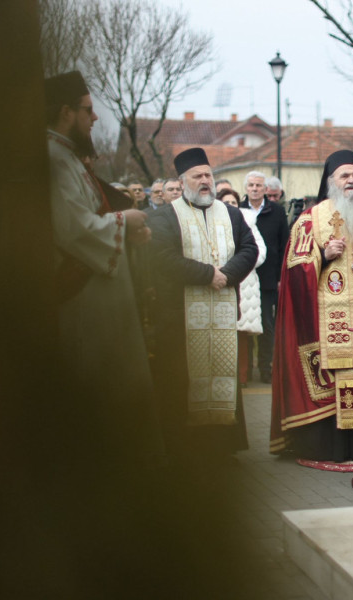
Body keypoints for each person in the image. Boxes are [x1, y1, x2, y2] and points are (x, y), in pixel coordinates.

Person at [45, 70, 160, 465]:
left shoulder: (68, 156)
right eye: (88, 110)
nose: (94, 119)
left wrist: (128, 232)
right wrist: (125, 223)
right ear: (65, 112)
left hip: (98, 301)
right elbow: (73, 229)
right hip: (81, 305)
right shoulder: (52, 159)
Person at [270, 150, 353, 461]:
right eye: (344, 175)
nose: (351, 180)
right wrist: (322, 255)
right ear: (330, 181)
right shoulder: (310, 220)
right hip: (330, 323)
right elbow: (293, 271)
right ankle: (334, 449)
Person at [146, 148, 258, 464]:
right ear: (183, 182)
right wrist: (208, 275)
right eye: (198, 176)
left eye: (208, 174)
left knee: (223, 376)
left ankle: (223, 444)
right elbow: (162, 259)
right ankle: (186, 447)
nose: (206, 181)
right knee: (184, 382)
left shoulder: (232, 214)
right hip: (180, 319)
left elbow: (249, 249)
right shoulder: (165, 216)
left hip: (222, 314)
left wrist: (227, 275)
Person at [239, 171, 289, 383]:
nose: (255, 189)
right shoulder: (237, 211)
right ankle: (246, 371)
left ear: (265, 189)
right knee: (246, 325)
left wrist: (280, 277)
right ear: (246, 188)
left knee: (267, 325)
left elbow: (283, 245)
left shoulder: (276, 212)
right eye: (251, 185)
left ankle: (266, 369)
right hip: (245, 277)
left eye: (259, 185)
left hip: (268, 279)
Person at [218, 188, 267, 386]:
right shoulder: (215, 223)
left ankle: (242, 378)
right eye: (226, 203)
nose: (230, 206)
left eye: (234, 203)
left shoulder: (248, 221)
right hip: (218, 280)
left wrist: (238, 264)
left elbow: (259, 252)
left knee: (241, 336)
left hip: (244, 282)